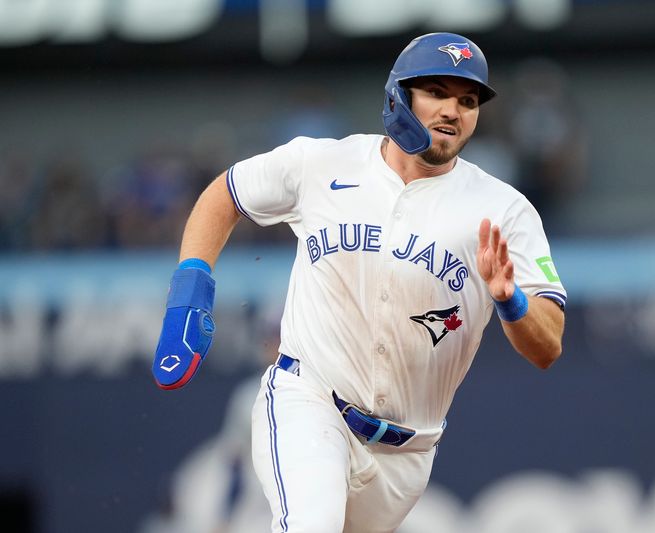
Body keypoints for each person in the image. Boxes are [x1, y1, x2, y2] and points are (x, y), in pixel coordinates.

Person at [152, 32, 567, 533]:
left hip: (406, 453)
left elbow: (548, 345)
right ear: (399, 95)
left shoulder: (504, 209)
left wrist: (510, 301)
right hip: (310, 399)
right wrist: (190, 294)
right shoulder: (322, 163)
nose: (453, 111)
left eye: (468, 100)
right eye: (436, 92)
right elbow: (226, 195)